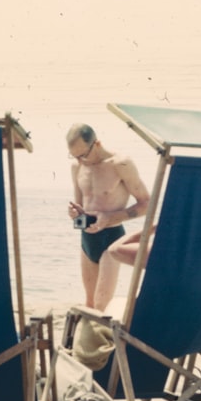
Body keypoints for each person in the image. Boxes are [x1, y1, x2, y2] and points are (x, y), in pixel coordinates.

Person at [66, 123, 150, 310]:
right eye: (74, 156)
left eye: (83, 155)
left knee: (101, 303)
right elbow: (80, 204)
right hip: (86, 238)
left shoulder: (120, 163)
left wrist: (110, 218)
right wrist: (74, 213)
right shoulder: (77, 166)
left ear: (97, 144)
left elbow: (146, 203)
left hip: (111, 238)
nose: (80, 161)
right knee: (89, 304)